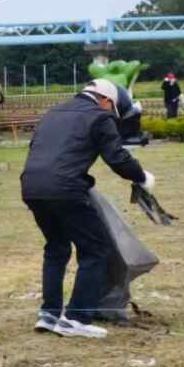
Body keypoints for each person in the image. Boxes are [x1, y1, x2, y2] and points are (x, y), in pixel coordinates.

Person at [20, 80, 155, 338]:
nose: (111, 116)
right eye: (112, 110)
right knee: (95, 250)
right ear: (105, 100)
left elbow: (47, 152)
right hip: (65, 190)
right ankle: (76, 317)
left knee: (56, 248)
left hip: (32, 187)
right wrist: (141, 177)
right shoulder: (98, 117)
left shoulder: (54, 112)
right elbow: (117, 158)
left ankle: (49, 314)